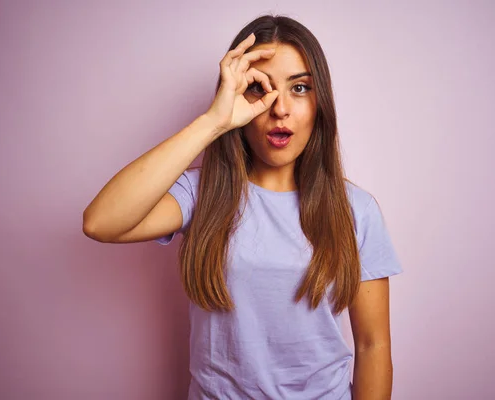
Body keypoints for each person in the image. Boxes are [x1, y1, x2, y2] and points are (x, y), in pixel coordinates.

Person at [83, 14, 403, 400]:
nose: (279, 108)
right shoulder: (202, 193)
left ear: (321, 104)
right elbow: (101, 222)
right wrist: (213, 121)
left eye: (299, 88)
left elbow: (373, 345)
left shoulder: (357, 210)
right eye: (259, 88)